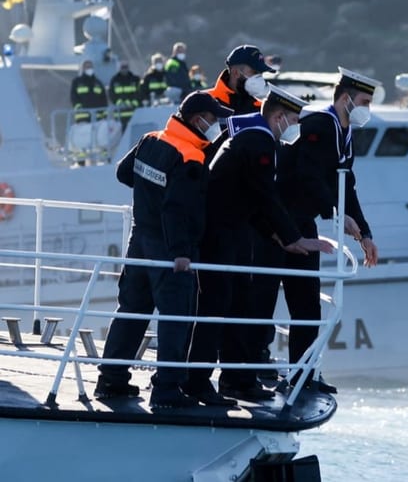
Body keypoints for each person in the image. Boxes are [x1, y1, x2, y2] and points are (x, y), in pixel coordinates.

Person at [184, 86, 333, 404]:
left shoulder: (256, 139)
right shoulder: (261, 142)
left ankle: (240, 379)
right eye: (294, 119)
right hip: (220, 236)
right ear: (278, 117)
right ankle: (198, 382)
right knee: (217, 310)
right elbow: (266, 197)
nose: (297, 127)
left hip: (233, 233)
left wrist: (279, 237)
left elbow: (254, 199)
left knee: (240, 309)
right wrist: (293, 237)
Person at [94, 91, 234, 409]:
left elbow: (123, 172)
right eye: (213, 121)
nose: (217, 127)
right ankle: (167, 390)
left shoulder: (150, 139)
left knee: (130, 311)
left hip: (139, 239)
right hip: (170, 250)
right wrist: (181, 251)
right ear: (197, 119)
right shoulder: (190, 157)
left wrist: (149, 197)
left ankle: (111, 380)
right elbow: (174, 208)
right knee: (176, 317)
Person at [253, 67, 381, 395]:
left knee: (307, 305)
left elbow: (345, 184)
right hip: (277, 223)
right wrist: (337, 215)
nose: (368, 107)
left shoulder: (345, 133)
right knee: (262, 299)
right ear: (346, 98)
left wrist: (364, 232)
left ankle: (303, 374)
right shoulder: (320, 124)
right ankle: (254, 370)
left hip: (303, 222)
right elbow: (308, 174)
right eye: (365, 100)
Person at [206, 44, 273, 116]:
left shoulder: (263, 109)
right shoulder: (205, 103)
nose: (259, 78)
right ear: (236, 73)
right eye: (254, 72)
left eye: (260, 74)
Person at [70, 59, 107, 123]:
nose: (89, 69)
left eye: (90, 67)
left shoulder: (98, 83)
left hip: (97, 117)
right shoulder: (77, 82)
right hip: (82, 116)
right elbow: (73, 96)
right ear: (83, 69)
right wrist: (78, 107)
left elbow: (103, 99)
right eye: (87, 67)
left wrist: (104, 114)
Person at [108, 60, 141, 129]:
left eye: (126, 67)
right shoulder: (114, 80)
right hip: (119, 114)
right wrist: (119, 103)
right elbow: (111, 95)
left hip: (134, 112)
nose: (124, 69)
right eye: (122, 67)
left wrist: (133, 103)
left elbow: (139, 93)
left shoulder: (135, 79)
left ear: (128, 67)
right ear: (119, 68)